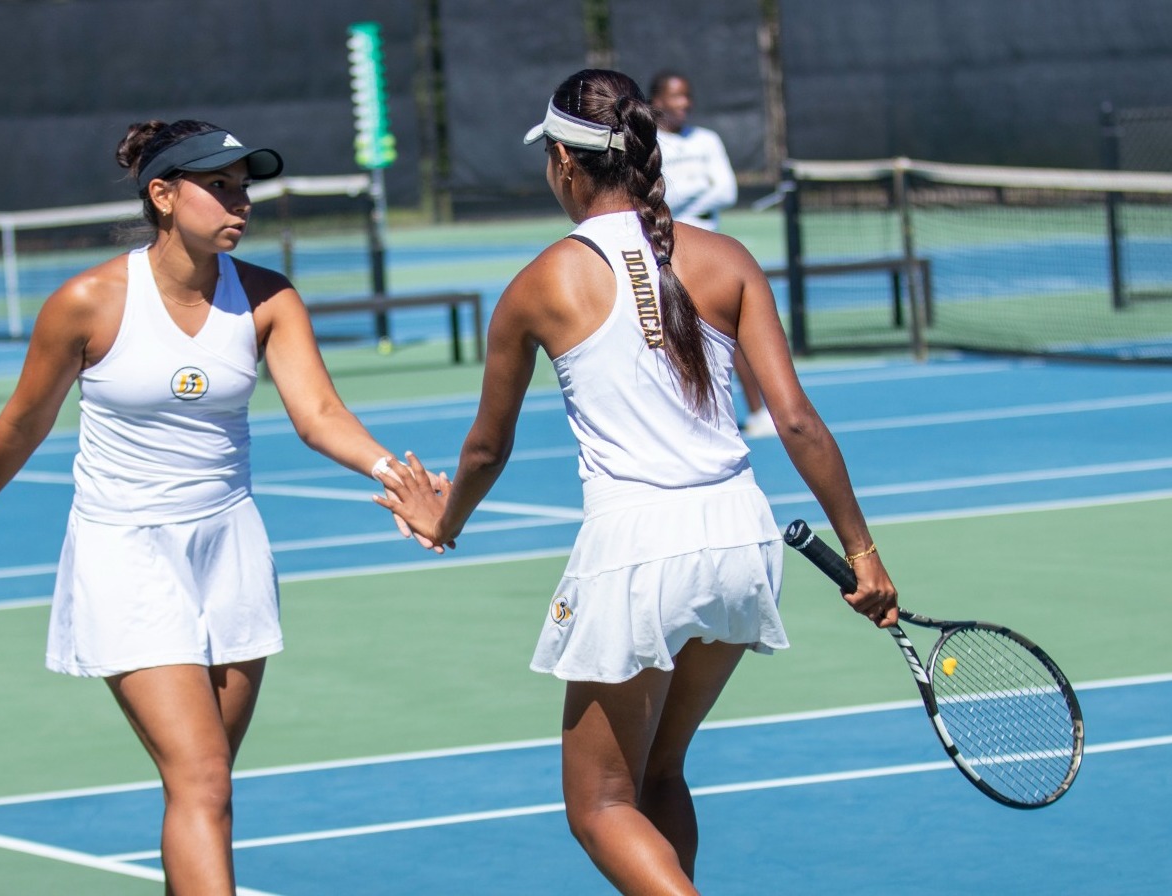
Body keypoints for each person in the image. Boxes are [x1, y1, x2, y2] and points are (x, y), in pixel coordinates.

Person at [373, 70, 897, 895]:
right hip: (740, 539)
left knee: (598, 805)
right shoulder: (726, 258)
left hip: (637, 549)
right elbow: (795, 422)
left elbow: (484, 450)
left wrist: (443, 520)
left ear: (565, 165)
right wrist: (862, 553)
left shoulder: (539, 282)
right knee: (656, 774)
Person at [0, 119, 428, 896]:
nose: (240, 203)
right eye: (218, 186)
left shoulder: (267, 296)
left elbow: (319, 412)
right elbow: (21, 423)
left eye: (244, 187)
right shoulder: (87, 303)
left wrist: (394, 475)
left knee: (205, 785)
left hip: (229, 546)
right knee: (203, 782)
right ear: (162, 195)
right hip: (124, 549)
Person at [648, 69, 774, 439]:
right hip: (667, 247)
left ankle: (758, 411)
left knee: (730, 329)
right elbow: (656, 196)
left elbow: (726, 192)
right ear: (657, 102)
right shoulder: (649, 143)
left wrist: (682, 196)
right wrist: (687, 195)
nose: (683, 103)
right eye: (675, 96)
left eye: (687, 96)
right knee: (673, 333)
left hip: (710, 242)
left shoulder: (707, 140)